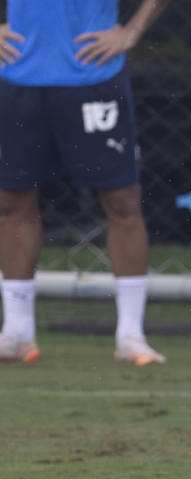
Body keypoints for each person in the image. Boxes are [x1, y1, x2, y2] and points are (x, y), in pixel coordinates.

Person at [0, 0, 168, 365]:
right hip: (17, 78)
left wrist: (132, 30)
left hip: (94, 77)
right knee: (11, 201)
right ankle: (16, 333)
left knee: (122, 200)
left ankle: (130, 335)